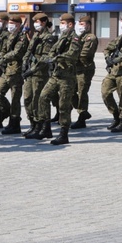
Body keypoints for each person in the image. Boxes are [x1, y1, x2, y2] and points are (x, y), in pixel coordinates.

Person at [35, 14, 81, 145]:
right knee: (43, 97)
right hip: (56, 74)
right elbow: (52, 52)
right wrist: (50, 57)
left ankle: (63, 133)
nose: (61, 25)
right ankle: (46, 127)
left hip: (67, 77)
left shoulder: (75, 39)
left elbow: (72, 55)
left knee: (63, 105)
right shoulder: (62, 38)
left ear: (70, 24)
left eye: (63, 23)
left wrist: (56, 58)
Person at [21, 13, 57, 139]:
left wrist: (32, 69)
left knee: (38, 99)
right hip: (30, 72)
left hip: (40, 73)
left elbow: (45, 57)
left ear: (44, 22)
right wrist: (25, 64)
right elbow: (28, 51)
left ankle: (43, 126)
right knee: (28, 98)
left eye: (37, 21)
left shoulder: (49, 38)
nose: (35, 23)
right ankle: (33, 124)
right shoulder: (36, 35)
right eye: (35, 21)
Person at [0, 15, 29, 134]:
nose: (10, 25)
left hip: (16, 71)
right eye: (9, 22)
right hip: (7, 70)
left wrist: (2, 59)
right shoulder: (10, 36)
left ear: (18, 25)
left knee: (15, 99)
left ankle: (14, 123)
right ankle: (7, 112)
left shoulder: (22, 38)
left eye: (13, 23)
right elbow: (4, 50)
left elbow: (17, 53)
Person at [71, 15, 98, 129]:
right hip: (75, 69)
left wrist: (70, 56)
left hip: (85, 69)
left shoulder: (90, 38)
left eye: (82, 24)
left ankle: (82, 118)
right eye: (79, 24)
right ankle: (83, 112)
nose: (80, 26)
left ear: (88, 25)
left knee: (82, 92)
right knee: (71, 91)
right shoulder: (77, 36)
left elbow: (84, 54)